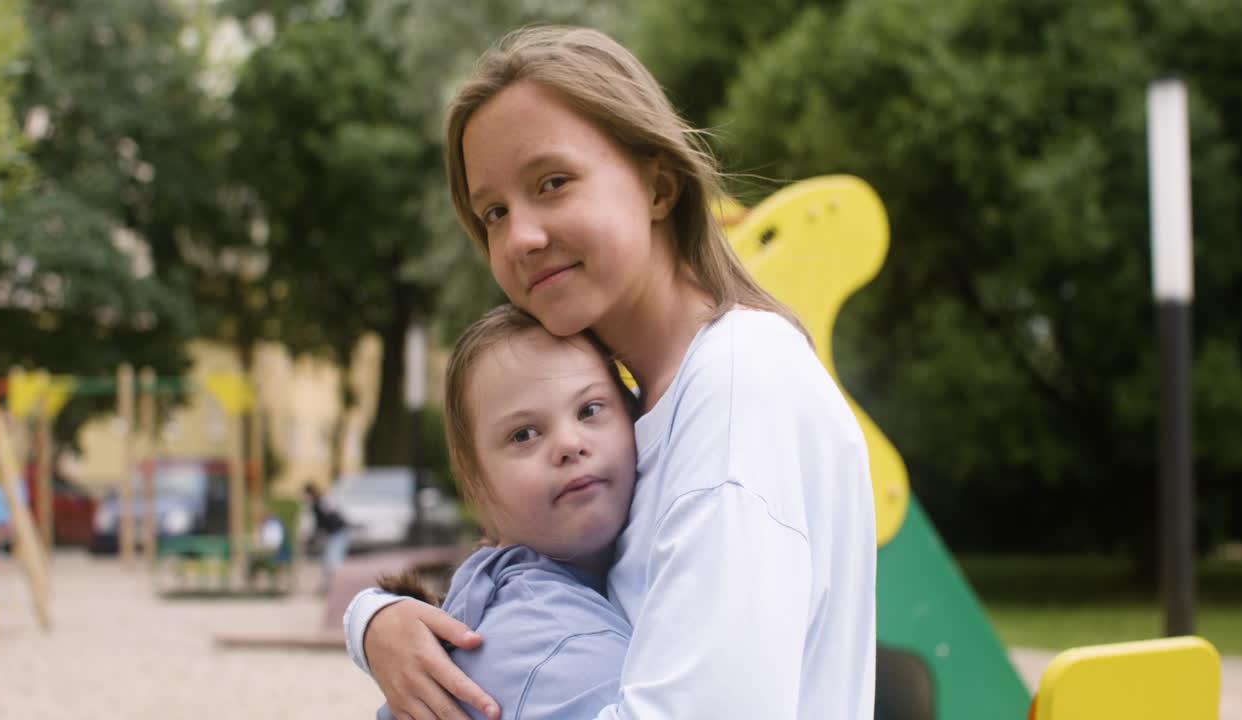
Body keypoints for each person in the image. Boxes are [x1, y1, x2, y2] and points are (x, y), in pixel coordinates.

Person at [344, 25, 876, 720]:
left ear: (658, 186)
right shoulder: (626, 410)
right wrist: (376, 621)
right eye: (494, 212)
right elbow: (524, 580)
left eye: (552, 183)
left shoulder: (738, 388)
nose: (521, 238)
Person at [371, 303, 639, 720]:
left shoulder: (494, 586)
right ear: (476, 481)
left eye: (589, 409)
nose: (570, 443)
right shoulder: (564, 652)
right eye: (524, 434)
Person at [304, 482, 350, 592]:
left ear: (309, 494)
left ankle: (337, 586)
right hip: (335, 533)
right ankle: (331, 585)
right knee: (329, 561)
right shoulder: (320, 502)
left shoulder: (319, 504)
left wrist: (310, 540)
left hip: (338, 532)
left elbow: (320, 524)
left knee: (333, 561)